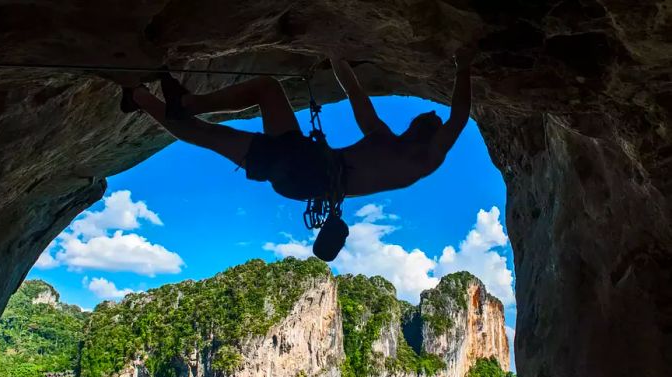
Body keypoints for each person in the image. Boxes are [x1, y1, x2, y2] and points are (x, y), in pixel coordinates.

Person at [115, 52, 472, 260]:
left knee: (266, 90)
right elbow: (354, 90)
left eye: (432, 118)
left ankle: (188, 102)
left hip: (307, 167)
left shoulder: (424, 160)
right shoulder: (384, 138)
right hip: (299, 178)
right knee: (208, 134)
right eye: (429, 114)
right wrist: (334, 55)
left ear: (427, 132)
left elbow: (457, 117)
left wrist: (464, 68)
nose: (431, 114)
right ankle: (140, 97)